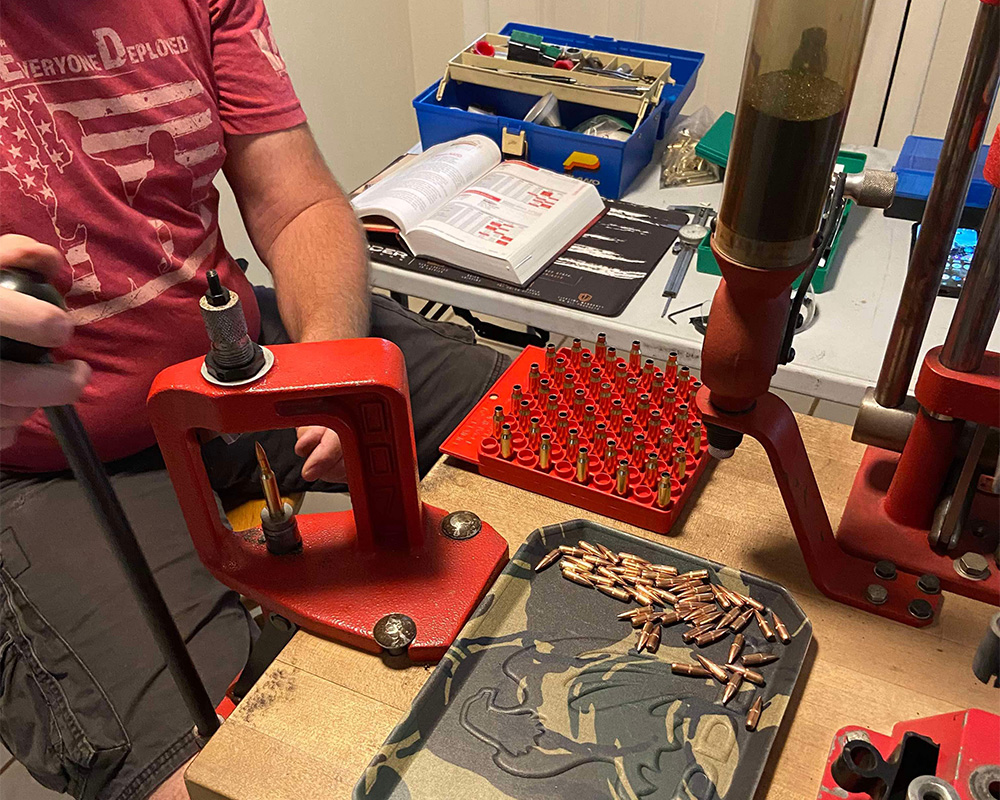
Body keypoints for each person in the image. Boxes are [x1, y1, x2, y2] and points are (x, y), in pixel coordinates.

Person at [0, 3, 507, 799]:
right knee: (208, 778)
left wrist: (330, 372)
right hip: (48, 462)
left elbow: (297, 203)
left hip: (234, 356)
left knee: (533, 425)